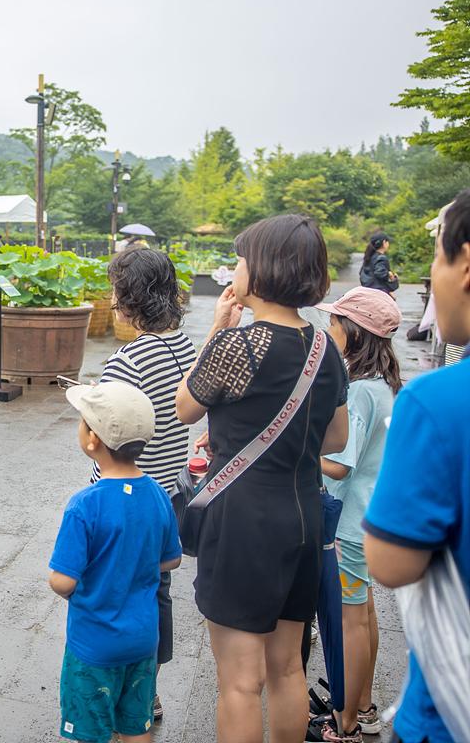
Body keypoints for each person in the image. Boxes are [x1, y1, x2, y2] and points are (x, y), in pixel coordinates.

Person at [175, 214, 349, 743]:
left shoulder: (239, 346)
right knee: (287, 669)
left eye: (241, 259)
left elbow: (185, 408)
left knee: (239, 682)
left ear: (264, 270)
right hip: (302, 516)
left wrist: (216, 330)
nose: (235, 268)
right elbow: (335, 439)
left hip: (243, 522)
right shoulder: (325, 348)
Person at [364, 189, 470, 743]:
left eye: (437, 256)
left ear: (467, 264)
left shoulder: (436, 403)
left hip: (452, 708)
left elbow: (393, 563)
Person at [95, 248, 198, 721]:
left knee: (118, 594)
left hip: (125, 497)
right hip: (168, 493)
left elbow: (103, 433)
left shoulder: (128, 359)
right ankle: (149, 689)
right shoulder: (187, 345)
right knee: (157, 590)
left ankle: (123, 692)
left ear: (130, 299)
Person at [50, 382, 182, 743]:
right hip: (142, 641)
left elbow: (63, 581)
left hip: (94, 645)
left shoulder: (84, 505)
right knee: (136, 726)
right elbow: (171, 560)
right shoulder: (157, 494)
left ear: (92, 439)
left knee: (92, 731)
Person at [312, 287, 402, 743]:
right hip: (367, 516)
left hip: (346, 524)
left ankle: (343, 720)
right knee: (362, 614)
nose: (330, 330)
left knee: (349, 621)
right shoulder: (384, 384)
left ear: (354, 332)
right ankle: (362, 706)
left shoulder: (361, 391)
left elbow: (338, 463)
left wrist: (300, 449)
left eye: (335, 323)